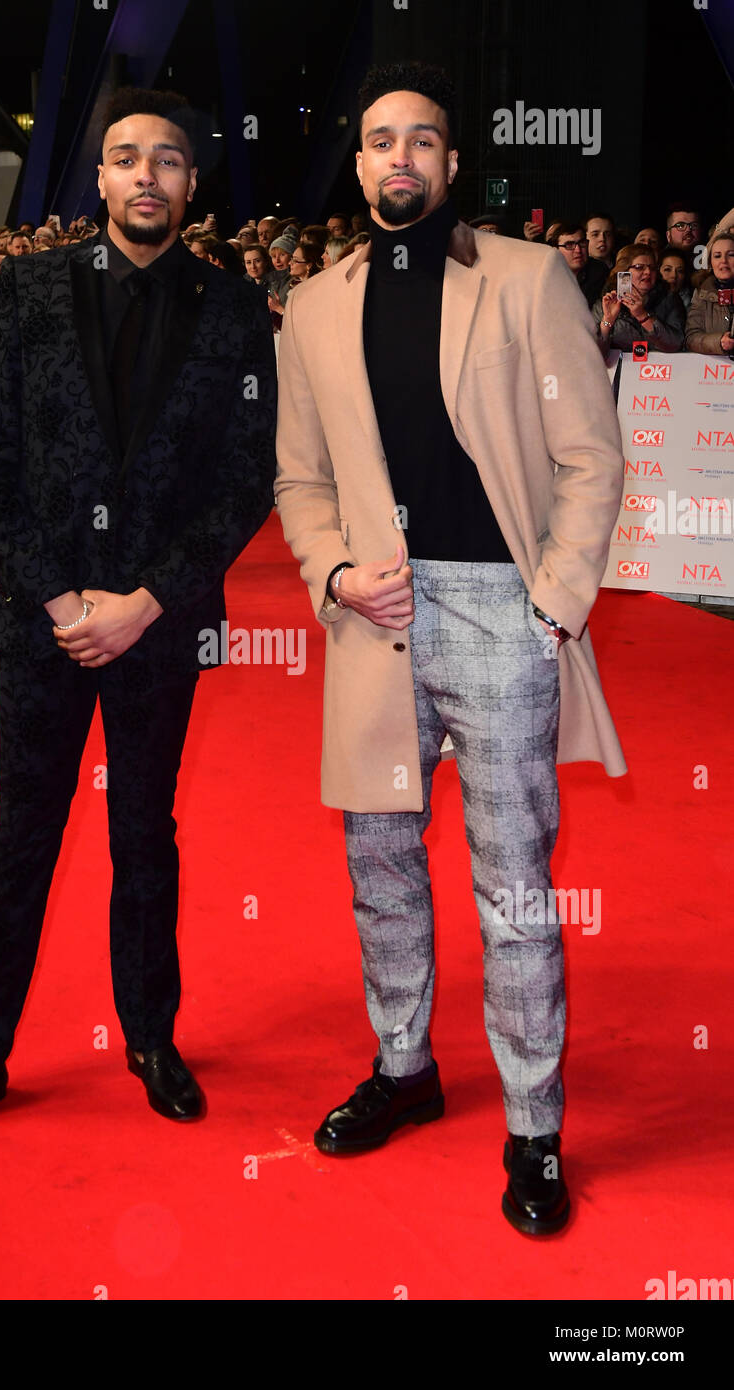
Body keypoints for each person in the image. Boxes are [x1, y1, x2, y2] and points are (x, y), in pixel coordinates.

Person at [273, 60, 626, 1237]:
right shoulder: (316, 302)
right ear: (359, 161)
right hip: (371, 617)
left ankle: (534, 1127)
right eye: (379, 141)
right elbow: (300, 477)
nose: (398, 160)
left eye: (421, 141)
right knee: (381, 872)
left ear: (450, 162)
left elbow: (590, 455)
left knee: (514, 888)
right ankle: (405, 1066)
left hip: (499, 613)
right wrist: (328, 572)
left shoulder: (529, 278)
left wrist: (554, 604)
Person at [0, 86, 277, 1149]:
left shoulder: (233, 308)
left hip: (160, 619)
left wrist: (146, 602)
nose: (144, 176)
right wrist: (65, 601)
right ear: (99, 178)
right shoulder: (26, 290)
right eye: (124, 158)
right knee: (24, 833)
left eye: (166, 159)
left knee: (145, 832)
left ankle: (150, 1037)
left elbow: (243, 482)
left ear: (191, 184)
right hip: (42, 620)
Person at [594, 243, 685, 353]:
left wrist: (643, 316)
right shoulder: (606, 303)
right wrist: (607, 322)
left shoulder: (669, 299)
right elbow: (593, 355)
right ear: (624, 272)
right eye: (639, 267)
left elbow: (676, 344)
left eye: (652, 268)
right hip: (620, 368)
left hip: (660, 368)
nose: (648, 272)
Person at [684, 228, 734, 355]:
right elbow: (691, 338)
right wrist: (719, 342)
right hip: (714, 372)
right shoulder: (701, 293)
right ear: (710, 262)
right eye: (717, 256)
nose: (723, 260)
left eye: (731, 254)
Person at [548, 221, 607, 304]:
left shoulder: (599, 271)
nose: (578, 250)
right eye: (569, 245)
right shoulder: (547, 274)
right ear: (556, 250)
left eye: (582, 243)